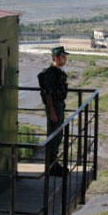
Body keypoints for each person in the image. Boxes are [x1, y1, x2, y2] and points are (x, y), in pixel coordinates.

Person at [38, 46, 69, 176]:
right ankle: (51, 166)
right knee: (54, 136)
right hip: (54, 107)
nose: (65, 59)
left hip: (58, 106)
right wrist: (52, 111)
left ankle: (54, 164)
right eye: (62, 56)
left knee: (58, 135)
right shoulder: (51, 73)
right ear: (56, 58)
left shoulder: (58, 71)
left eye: (65, 56)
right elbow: (48, 93)